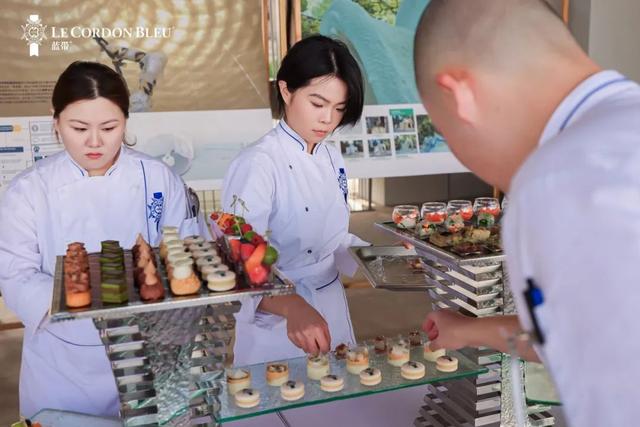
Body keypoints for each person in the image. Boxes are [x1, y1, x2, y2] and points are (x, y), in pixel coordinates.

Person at [414, 1, 640, 425]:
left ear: (459, 95)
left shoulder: (555, 180)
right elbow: (579, 334)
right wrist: (467, 330)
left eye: (445, 134)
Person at [0, 61, 200, 418]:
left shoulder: (157, 178)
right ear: (56, 121)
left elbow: (181, 255)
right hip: (63, 364)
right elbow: (15, 273)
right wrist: (80, 300)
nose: (94, 142)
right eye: (79, 127)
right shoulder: (29, 190)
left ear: (126, 120)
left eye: (109, 127)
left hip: (149, 355)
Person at [222, 35, 368, 366]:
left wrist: (379, 257)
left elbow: (329, 238)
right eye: (317, 104)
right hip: (280, 320)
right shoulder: (257, 163)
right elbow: (239, 259)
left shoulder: (332, 157)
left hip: (330, 306)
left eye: (339, 109)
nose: (328, 120)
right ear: (286, 91)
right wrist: (290, 305)